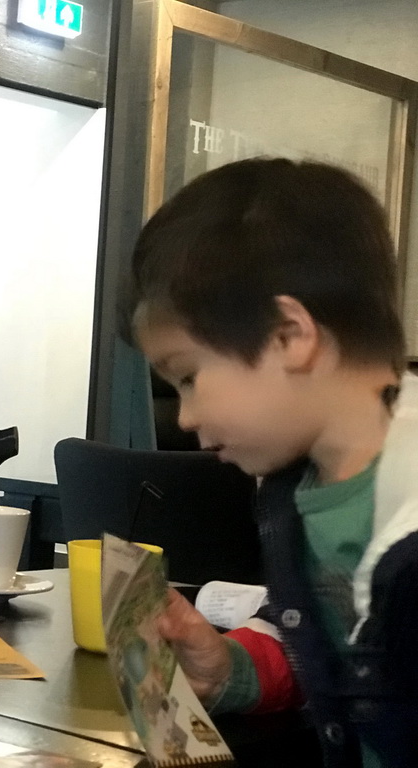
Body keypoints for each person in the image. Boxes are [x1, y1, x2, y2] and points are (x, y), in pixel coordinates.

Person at [123, 157, 418, 767]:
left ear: (290, 335)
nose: (184, 417)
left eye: (189, 377)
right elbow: (338, 648)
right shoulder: (294, 491)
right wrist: (230, 669)